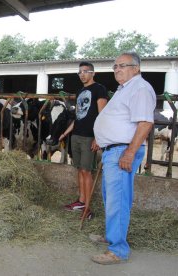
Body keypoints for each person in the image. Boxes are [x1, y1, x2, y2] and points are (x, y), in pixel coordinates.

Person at [91, 52, 156, 264]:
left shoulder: (140, 88)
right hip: (113, 150)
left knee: (117, 201)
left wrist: (128, 152)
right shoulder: (124, 89)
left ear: (136, 68)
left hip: (122, 151)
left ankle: (117, 250)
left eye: (122, 65)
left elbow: (145, 123)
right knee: (111, 198)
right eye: (115, 66)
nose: (117, 69)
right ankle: (112, 237)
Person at [60, 61, 108, 220]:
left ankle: (87, 208)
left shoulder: (99, 89)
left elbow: (103, 115)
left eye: (86, 71)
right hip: (77, 135)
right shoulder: (80, 91)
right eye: (80, 72)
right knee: (80, 169)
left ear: (93, 73)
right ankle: (81, 201)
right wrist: (66, 133)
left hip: (89, 137)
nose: (82, 74)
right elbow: (78, 116)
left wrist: (98, 136)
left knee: (87, 171)